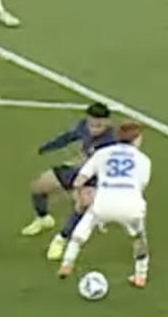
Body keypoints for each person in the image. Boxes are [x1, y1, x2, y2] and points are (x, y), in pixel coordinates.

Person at [58, 122, 152, 288]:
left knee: (83, 227)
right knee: (138, 239)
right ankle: (140, 276)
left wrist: (79, 194)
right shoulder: (144, 160)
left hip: (103, 203)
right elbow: (141, 185)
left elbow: (79, 180)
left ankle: (67, 264)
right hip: (131, 206)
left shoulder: (102, 153)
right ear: (136, 139)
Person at [20, 102, 117, 262]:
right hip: (77, 170)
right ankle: (43, 219)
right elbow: (69, 137)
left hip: (95, 178)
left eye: (98, 125)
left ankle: (61, 239)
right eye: (91, 124)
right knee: (38, 187)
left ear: (108, 122)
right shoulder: (84, 126)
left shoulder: (112, 141)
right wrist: (47, 147)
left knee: (81, 204)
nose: (93, 129)